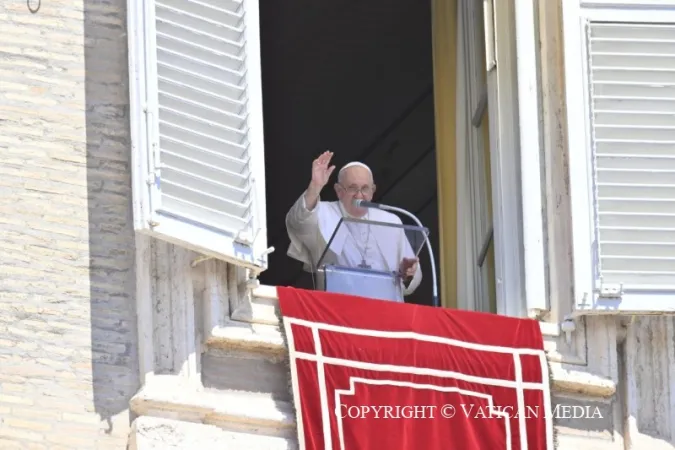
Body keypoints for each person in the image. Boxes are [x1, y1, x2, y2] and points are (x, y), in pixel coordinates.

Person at [285, 150, 422, 301]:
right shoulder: (324, 212)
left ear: (372, 191)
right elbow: (297, 222)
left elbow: (411, 281)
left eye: (364, 189)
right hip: (337, 310)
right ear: (338, 191)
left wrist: (407, 273)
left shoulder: (391, 221)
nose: (359, 195)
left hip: (386, 312)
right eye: (352, 188)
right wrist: (315, 186)